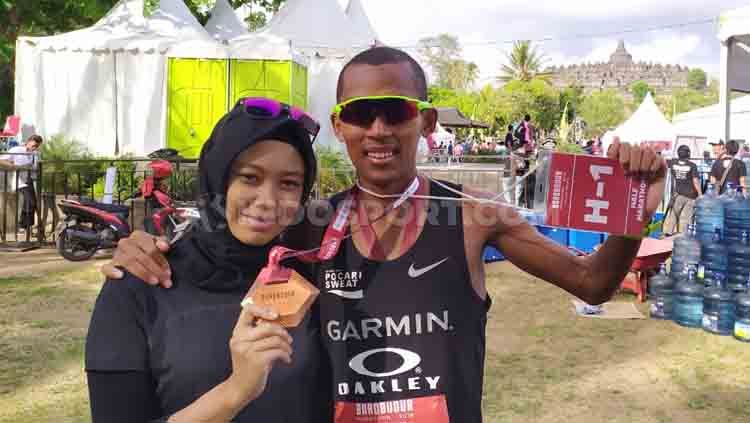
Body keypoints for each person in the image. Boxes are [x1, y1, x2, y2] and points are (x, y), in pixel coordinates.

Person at [103, 47, 666, 423]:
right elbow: (221, 244)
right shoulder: (308, 224)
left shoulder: (476, 215)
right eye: (361, 112)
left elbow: (593, 284)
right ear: (342, 125)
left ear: (425, 122)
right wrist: (142, 250)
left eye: (395, 111)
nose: (379, 129)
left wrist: (633, 206)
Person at [86, 98, 331, 422]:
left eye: (288, 184)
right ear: (218, 180)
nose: (268, 200)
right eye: (250, 177)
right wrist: (236, 391)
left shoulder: (310, 274)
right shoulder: (140, 281)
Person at [0, 134, 42, 231]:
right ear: (28, 141)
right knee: (29, 201)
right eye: (33, 145)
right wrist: (15, 167)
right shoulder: (16, 150)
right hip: (18, 180)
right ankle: (22, 225)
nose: (34, 148)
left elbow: (35, 167)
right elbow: (1, 160)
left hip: (29, 179)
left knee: (33, 203)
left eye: (37, 146)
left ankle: (28, 226)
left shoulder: (34, 154)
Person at [663, 145, 701, 235]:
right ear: (688, 154)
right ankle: (685, 234)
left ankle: (668, 232)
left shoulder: (673, 163)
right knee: (687, 216)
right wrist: (700, 194)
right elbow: (695, 181)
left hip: (678, 193)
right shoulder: (692, 165)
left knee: (674, 214)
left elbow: (663, 161)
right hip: (691, 195)